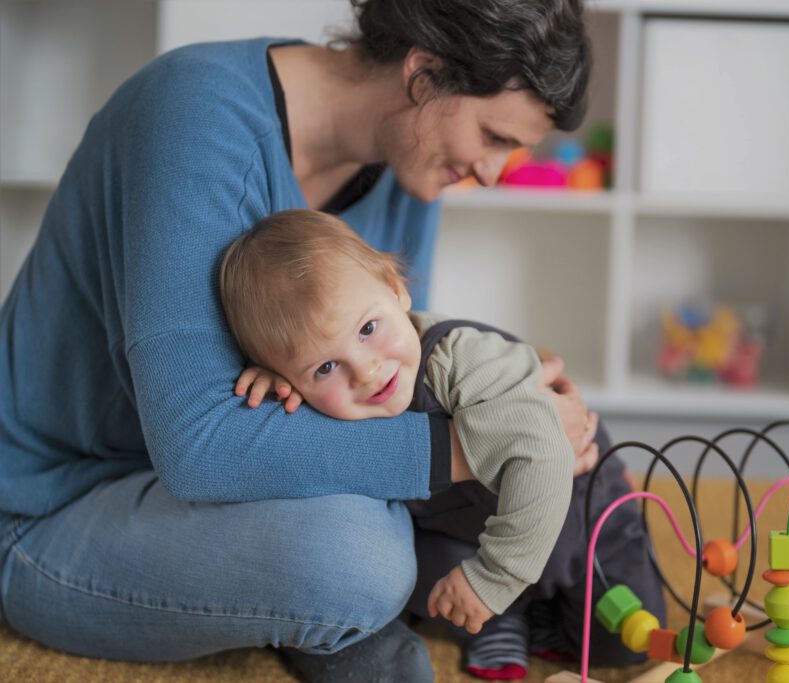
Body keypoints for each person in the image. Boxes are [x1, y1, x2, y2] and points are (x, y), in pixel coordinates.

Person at [0, 1, 597, 681]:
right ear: (423, 74)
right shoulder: (195, 114)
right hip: (50, 509)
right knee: (363, 558)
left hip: (240, 496)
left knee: (538, 478)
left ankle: (313, 613)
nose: (493, 173)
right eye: (493, 136)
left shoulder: (409, 168)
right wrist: (476, 443)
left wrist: (518, 402)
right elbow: (201, 449)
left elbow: (393, 386)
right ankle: (326, 614)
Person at [220, 208, 666, 680]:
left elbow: (541, 460)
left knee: (622, 640)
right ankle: (507, 614)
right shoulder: (324, 401)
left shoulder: (458, 360)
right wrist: (278, 395)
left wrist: (493, 578)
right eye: (324, 368)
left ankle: (515, 599)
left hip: (569, 498)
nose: (367, 371)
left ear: (395, 291)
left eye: (368, 329)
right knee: (414, 571)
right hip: (463, 528)